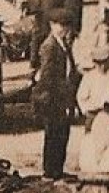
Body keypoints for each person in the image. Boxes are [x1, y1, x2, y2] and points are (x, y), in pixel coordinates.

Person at [31, 10, 82, 180]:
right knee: (53, 134)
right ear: (52, 26)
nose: (64, 29)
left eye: (66, 26)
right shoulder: (49, 46)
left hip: (62, 96)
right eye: (60, 26)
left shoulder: (63, 44)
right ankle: (50, 172)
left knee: (62, 133)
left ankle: (57, 170)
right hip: (52, 97)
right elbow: (47, 76)